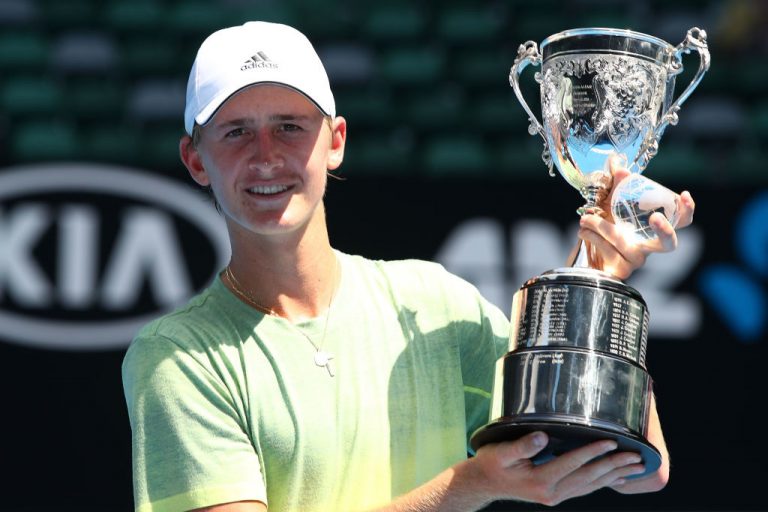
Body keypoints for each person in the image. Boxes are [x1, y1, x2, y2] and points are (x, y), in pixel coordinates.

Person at [122, 21, 695, 512]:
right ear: (195, 160)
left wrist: (596, 280)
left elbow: (640, 466)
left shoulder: (432, 300)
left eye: (290, 126)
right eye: (236, 131)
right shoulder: (175, 355)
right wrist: (464, 489)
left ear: (335, 140)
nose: (266, 155)